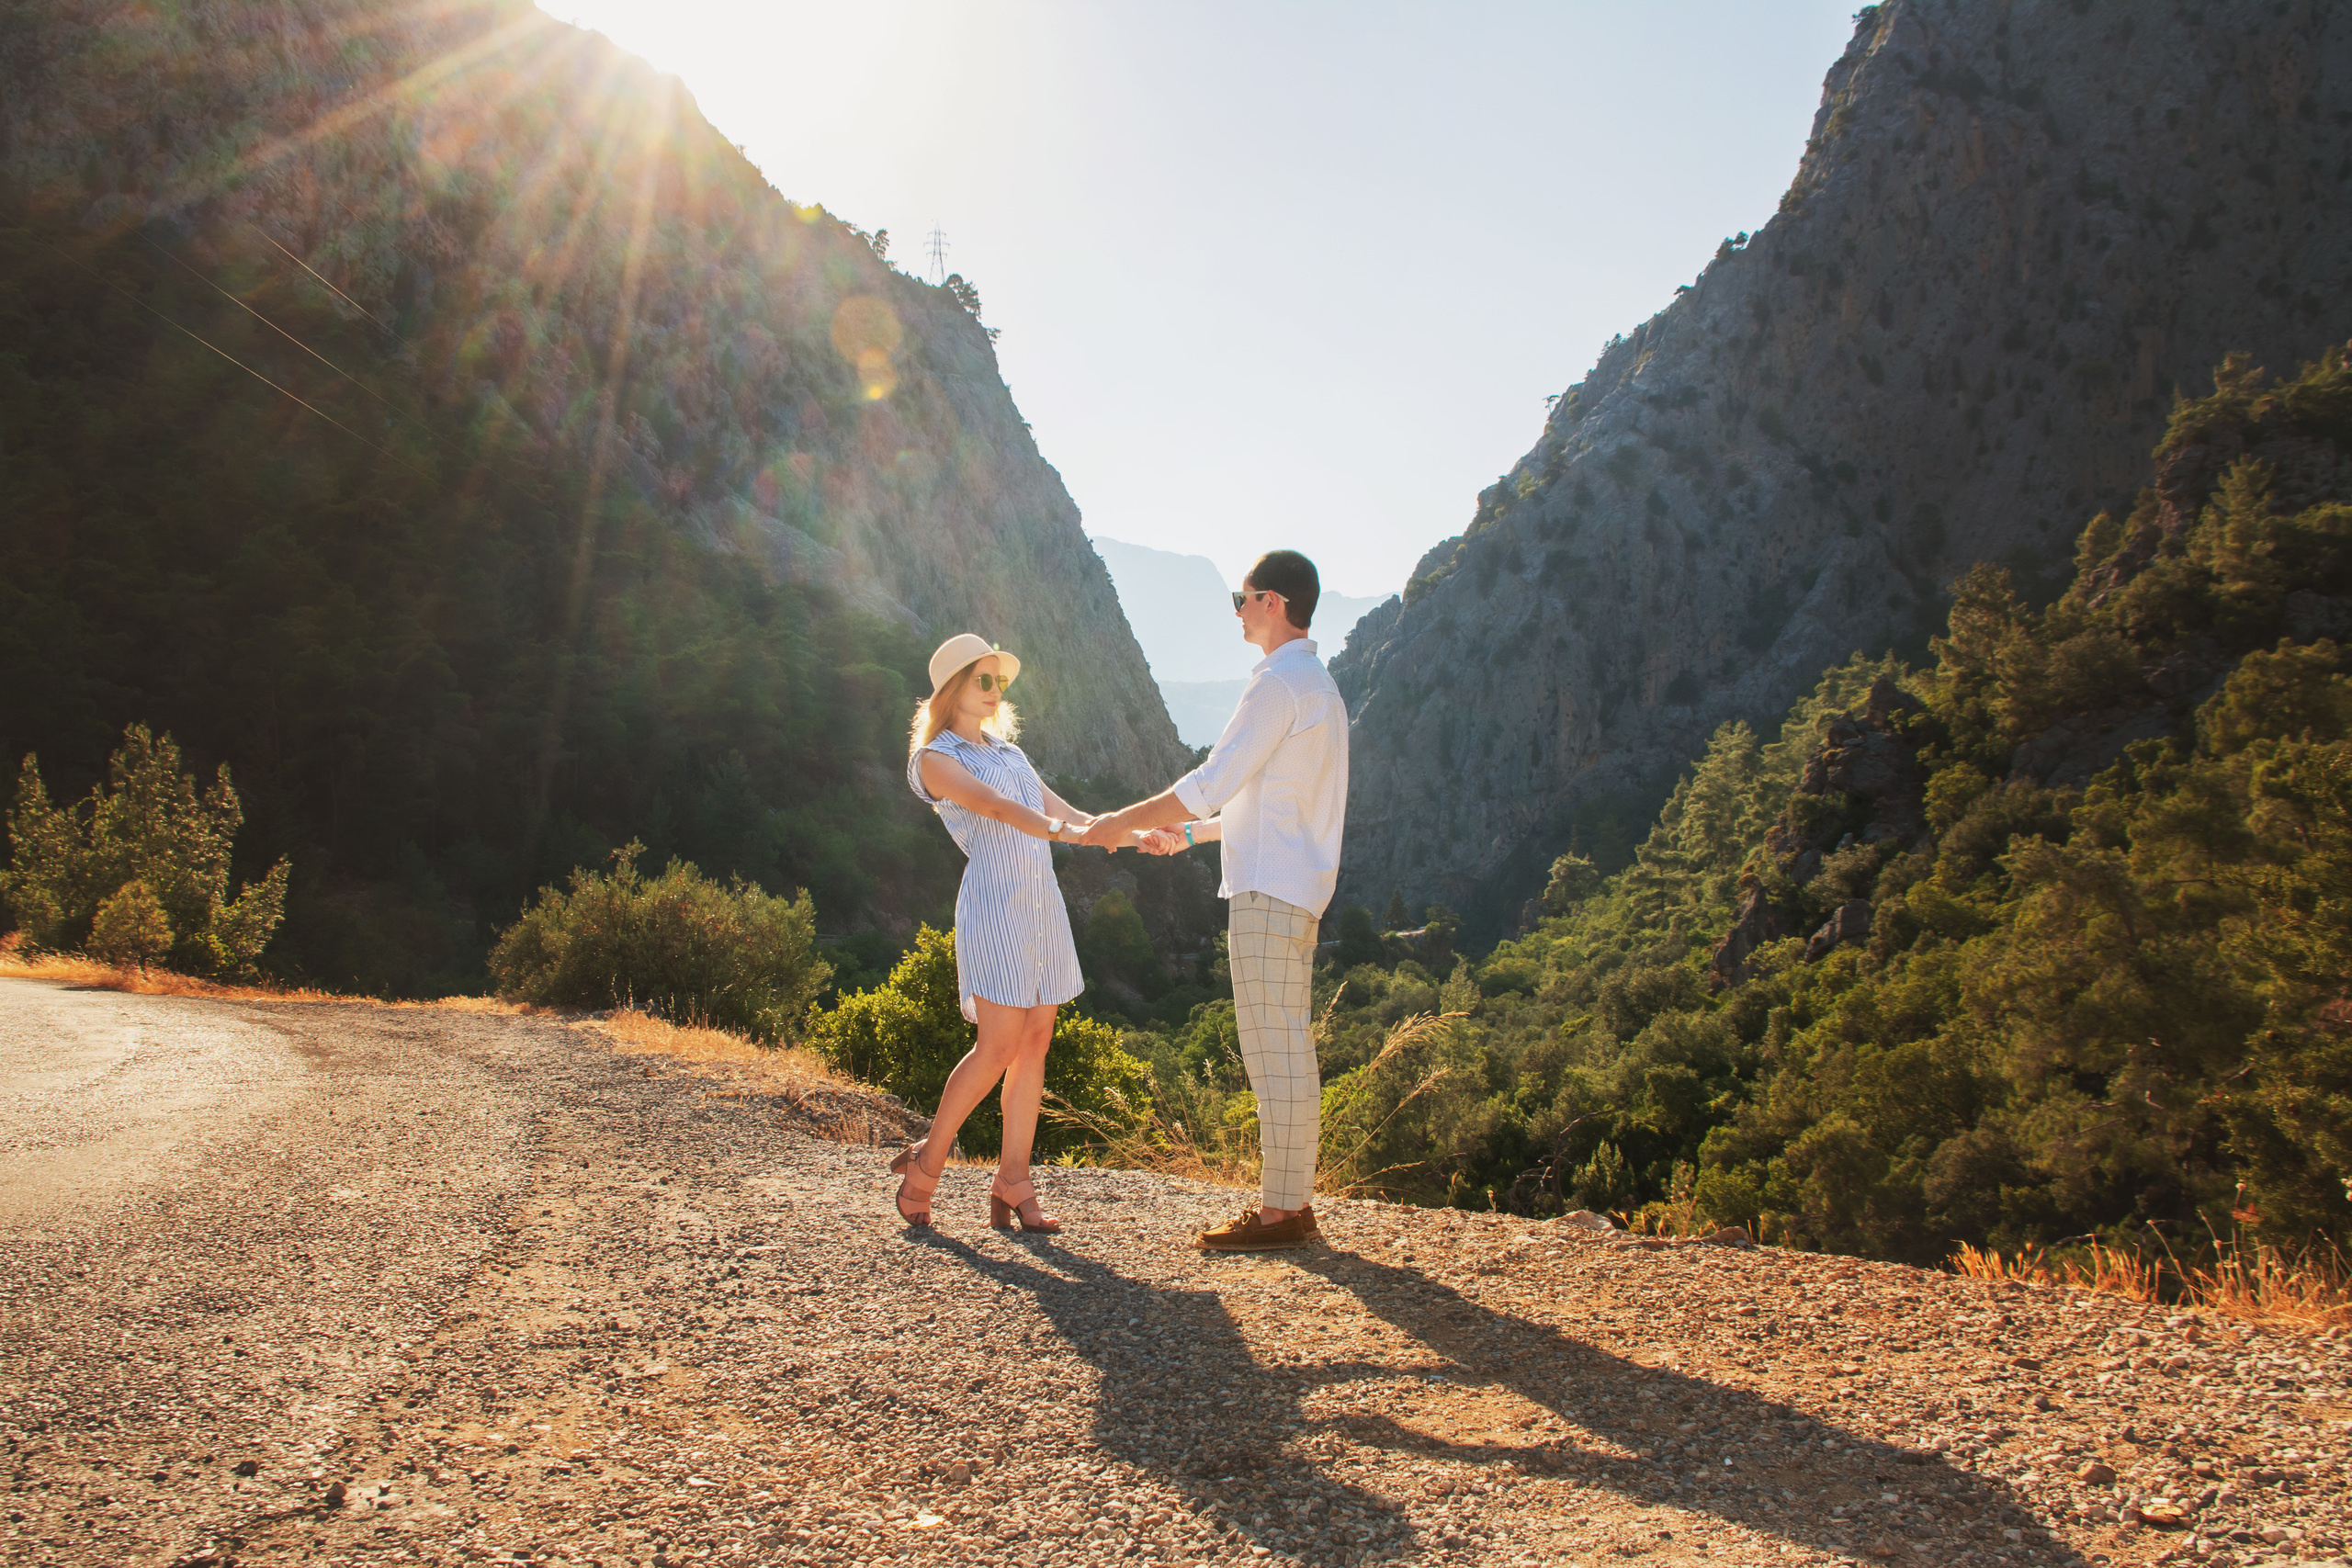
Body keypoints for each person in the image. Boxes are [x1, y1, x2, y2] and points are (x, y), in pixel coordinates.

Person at [1084, 550, 1349, 1250]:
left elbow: (1211, 781)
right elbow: (1269, 806)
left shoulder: (1278, 685)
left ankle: (1280, 1213)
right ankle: (1293, 1203)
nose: (1237, 610)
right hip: (1296, 889)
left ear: (1273, 602)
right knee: (1288, 1044)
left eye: (1243, 596)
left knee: (1272, 1049)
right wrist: (1190, 837)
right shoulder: (1319, 686)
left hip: (1267, 891)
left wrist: (1119, 822)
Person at [890, 633, 1152, 1233]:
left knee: (1035, 1041)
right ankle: (928, 1162)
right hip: (995, 904)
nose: (995, 690)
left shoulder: (1010, 753)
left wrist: (1139, 835)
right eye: (983, 679)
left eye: (1000, 681)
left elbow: (1074, 815)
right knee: (997, 1046)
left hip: (1041, 902)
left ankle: (1013, 1179)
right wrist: (1066, 832)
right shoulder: (934, 759)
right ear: (953, 687)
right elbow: (999, 810)